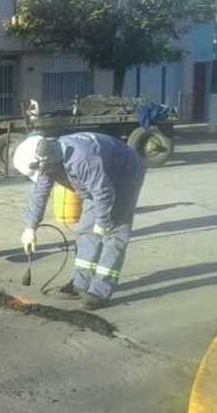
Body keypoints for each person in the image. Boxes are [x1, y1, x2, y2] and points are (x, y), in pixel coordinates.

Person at [13, 132, 146, 310]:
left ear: (45, 160)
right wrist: (30, 228)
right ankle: (80, 283)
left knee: (114, 232)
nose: (43, 175)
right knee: (86, 230)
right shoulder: (48, 158)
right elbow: (39, 194)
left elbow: (103, 193)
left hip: (124, 174)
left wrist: (103, 222)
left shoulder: (81, 158)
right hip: (97, 182)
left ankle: (100, 290)